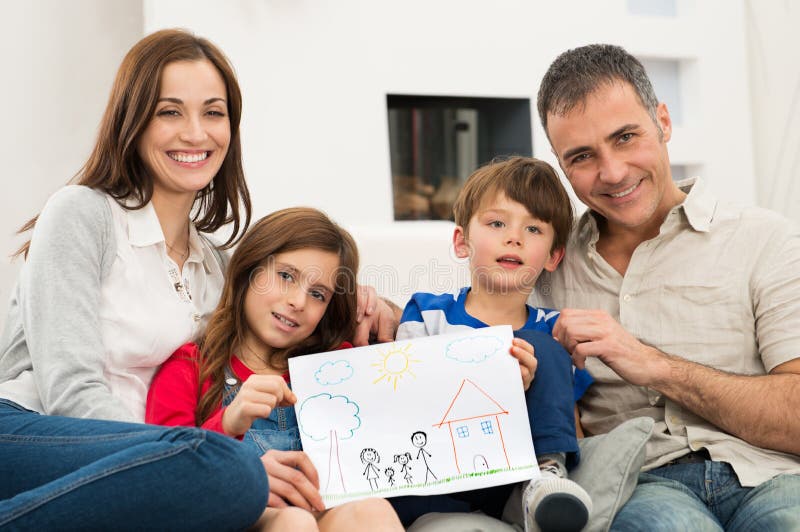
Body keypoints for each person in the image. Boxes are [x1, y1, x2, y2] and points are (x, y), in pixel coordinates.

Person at [0, 28, 394, 529]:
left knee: (264, 493)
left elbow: (295, 309)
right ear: (134, 121)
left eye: (213, 112)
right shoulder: (82, 213)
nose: (195, 133)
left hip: (159, 460)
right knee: (236, 471)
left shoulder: (218, 265)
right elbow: (69, 392)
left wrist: (372, 304)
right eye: (170, 112)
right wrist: (192, 459)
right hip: (34, 432)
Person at [533, 43, 800, 530]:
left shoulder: (767, 240)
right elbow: (468, 317)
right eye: (582, 156)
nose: (612, 173)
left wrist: (654, 365)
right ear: (560, 163)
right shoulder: (545, 262)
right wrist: (379, 310)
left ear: (664, 122)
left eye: (626, 137)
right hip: (638, 486)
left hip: (772, 476)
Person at [146, 207, 403, 531]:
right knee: (293, 522)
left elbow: (412, 388)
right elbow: (161, 471)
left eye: (317, 294)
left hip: (322, 510)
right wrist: (227, 423)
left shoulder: (339, 364)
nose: (298, 301)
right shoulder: (191, 367)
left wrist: (387, 315)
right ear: (248, 269)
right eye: (286, 276)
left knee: (372, 512)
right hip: (231, 514)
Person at [395, 157, 593, 532]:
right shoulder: (427, 312)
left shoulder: (555, 331)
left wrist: (528, 403)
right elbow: (404, 401)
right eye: (497, 223)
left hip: (513, 484)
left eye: (533, 229)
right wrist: (494, 389)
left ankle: (547, 479)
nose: (513, 237)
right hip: (432, 472)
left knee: (540, 344)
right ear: (461, 241)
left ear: (553, 256)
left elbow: (574, 428)